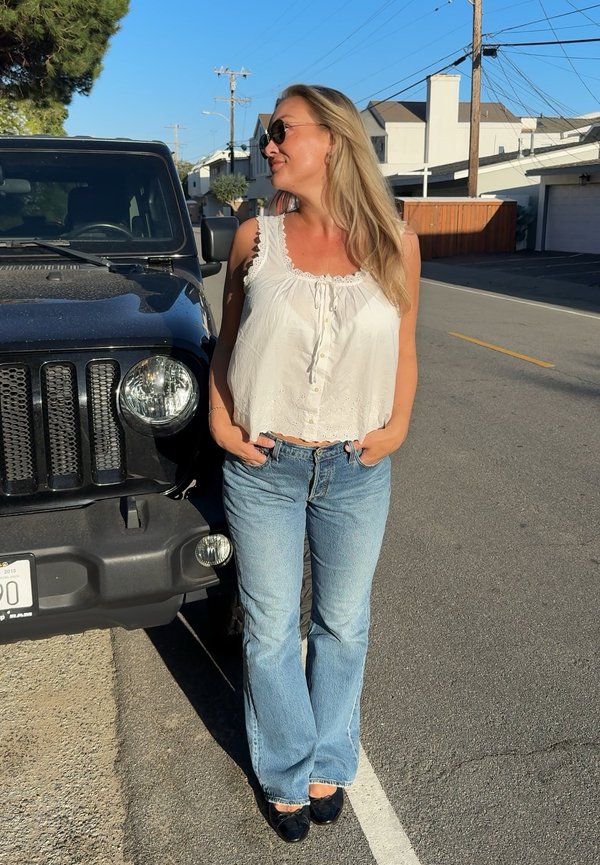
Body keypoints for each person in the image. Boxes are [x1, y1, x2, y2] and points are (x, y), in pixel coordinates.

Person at [209, 83, 420, 843]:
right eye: (268, 130)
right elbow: (227, 338)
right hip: (265, 464)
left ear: (331, 140)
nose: (268, 144)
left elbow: (404, 346)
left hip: (356, 467)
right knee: (270, 630)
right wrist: (220, 418)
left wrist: (396, 426)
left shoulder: (396, 240)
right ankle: (286, 770)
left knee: (343, 624)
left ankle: (330, 757)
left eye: (280, 129)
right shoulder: (253, 237)